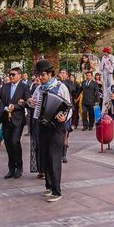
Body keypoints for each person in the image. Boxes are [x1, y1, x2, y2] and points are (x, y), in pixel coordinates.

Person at [28, 59, 70, 202]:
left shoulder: (61, 87)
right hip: (42, 126)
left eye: (43, 75)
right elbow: (32, 102)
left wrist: (64, 117)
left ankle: (57, 191)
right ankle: (49, 186)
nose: (40, 78)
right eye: (39, 75)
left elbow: (68, 108)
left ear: (51, 73)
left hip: (57, 128)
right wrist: (30, 102)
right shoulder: (39, 88)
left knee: (54, 157)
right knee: (44, 156)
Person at [0, 67, 30, 178]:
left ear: (19, 75)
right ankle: (11, 168)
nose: (11, 76)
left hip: (18, 119)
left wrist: (15, 106)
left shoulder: (24, 87)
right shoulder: (5, 86)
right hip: (6, 119)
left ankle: (19, 166)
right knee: (8, 144)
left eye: (13, 74)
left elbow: (27, 103)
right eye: (9, 74)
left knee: (15, 142)